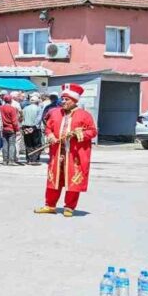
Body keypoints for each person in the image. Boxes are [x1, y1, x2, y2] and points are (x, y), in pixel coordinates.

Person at [35, 84, 97, 217]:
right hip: (57, 152)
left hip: (74, 153)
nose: (63, 101)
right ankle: (50, 205)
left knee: (73, 179)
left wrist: (78, 134)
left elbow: (92, 131)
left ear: (74, 100)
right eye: (62, 99)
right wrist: (50, 136)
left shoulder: (84, 115)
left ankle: (69, 207)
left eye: (66, 99)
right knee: (54, 179)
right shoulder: (55, 113)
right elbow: (48, 128)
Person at [0, 94, 22, 165]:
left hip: (3, 128)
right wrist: (17, 130)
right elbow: (14, 121)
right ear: (11, 100)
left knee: (5, 144)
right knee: (12, 145)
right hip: (11, 128)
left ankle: (5, 160)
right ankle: (11, 160)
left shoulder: (0, 108)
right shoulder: (12, 109)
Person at [21, 94, 44, 165]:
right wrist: (33, 127)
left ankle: (29, 159)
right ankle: (35, 159)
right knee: (36, 144)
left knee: (28, 143)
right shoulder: (38, 108)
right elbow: (38, 119)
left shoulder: (25, 108)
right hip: (35, 128)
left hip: (25, 127)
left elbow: (22, 118)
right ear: (37, 101)